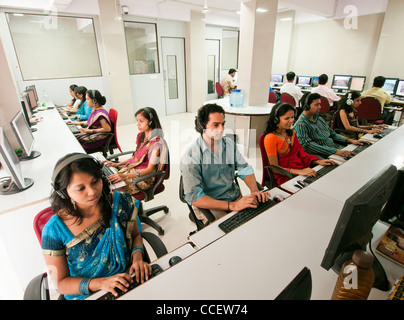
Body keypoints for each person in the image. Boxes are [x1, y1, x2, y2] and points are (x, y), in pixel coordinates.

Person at [41, 153, 151, 300]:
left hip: (127, 279)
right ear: (63, 192)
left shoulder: (120, 202)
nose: (92, 192)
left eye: (95, 182)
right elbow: (60, 283)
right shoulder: (54, 230)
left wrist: (138, 258)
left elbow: (136, 235)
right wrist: (101, 283)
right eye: (80, 188)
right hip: (90, 292)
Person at [180, 103, 270, 224]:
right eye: (216, 125)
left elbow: (244, 168)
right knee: (230, 232)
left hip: (233, 197)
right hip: (211, 204)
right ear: (202, 126)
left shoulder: (228, 144)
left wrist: (254, 190)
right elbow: (195, 198)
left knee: (257, 220)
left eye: (223, 124)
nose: (221, 129)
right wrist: (232, 206)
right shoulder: (191, 157)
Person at [263, 102, 336, 186]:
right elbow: (275, 168)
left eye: (292, 117)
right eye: (287, 118)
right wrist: (298, 172)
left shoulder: (291, 134)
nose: (291, 121)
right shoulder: (270, 138)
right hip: (285, 176)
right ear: (276, 119)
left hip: (300, 169)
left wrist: (317, 161)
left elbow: (301, 153)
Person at [103, 107, 166, 195]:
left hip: (144, 178)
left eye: (141, 121)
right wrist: (117, 164)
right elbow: (135, 157)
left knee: (109, 188)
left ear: (151, 122)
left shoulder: (156, 144)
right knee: (106, 181)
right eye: (137, 121)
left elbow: (150, 170)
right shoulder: (141, 136)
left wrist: (125, 176)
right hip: (134, 170)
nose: (138, 124)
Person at [294, 92, 369, 158]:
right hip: (324, 154)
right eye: (317, 105)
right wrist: (335, 151)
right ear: (306, 106)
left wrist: (350, 141)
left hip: (334, 148)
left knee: (360, 154)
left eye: (320, 104)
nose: (320, 107)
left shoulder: (319, 119)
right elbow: (308, 146)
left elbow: (332, 134)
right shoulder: (301, 124)